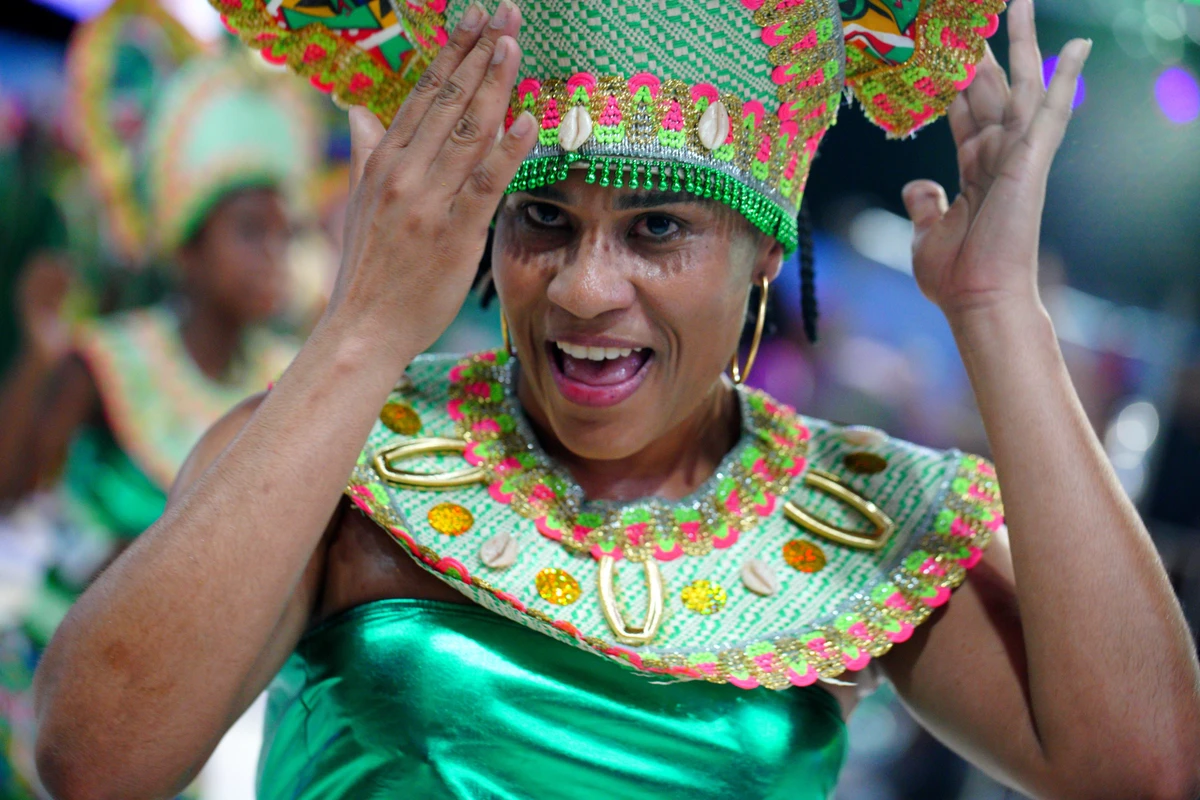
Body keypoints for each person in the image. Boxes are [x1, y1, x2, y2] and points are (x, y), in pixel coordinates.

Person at [33, 1, 1200, 799]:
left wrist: (1002, 316)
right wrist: (364, 330)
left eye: (657, 227)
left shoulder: (855, 522)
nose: (589, 289)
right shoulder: (352, 454)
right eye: (546, 218)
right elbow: (91, 757)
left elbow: (1144, 772)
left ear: (758, 246)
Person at [0, 37, 318, 797]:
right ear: (188, 250)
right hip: (58, 688)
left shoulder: (293, 381)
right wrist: (39, 362)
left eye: (283, 233)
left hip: (209, 713)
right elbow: (9, 489)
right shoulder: (107, 359)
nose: (272, 254)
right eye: (249, 232)